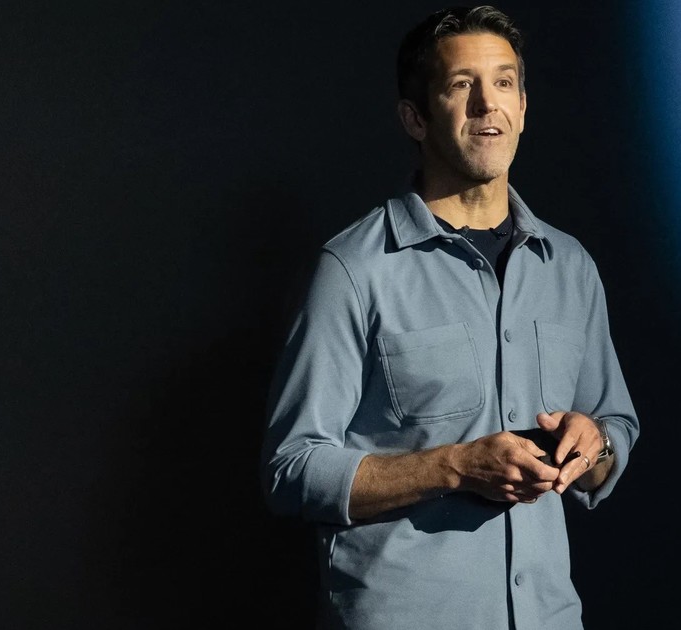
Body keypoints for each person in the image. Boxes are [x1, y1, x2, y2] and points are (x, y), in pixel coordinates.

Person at [261, 6, 640, 629]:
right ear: (416, 117)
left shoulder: (569, 266)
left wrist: (592, 443)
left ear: (523, 106)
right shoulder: (354, 269)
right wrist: (456, 467)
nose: (488, 103)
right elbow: (292, 469)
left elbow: (613, 427)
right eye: (462, 85)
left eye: (504, 82)